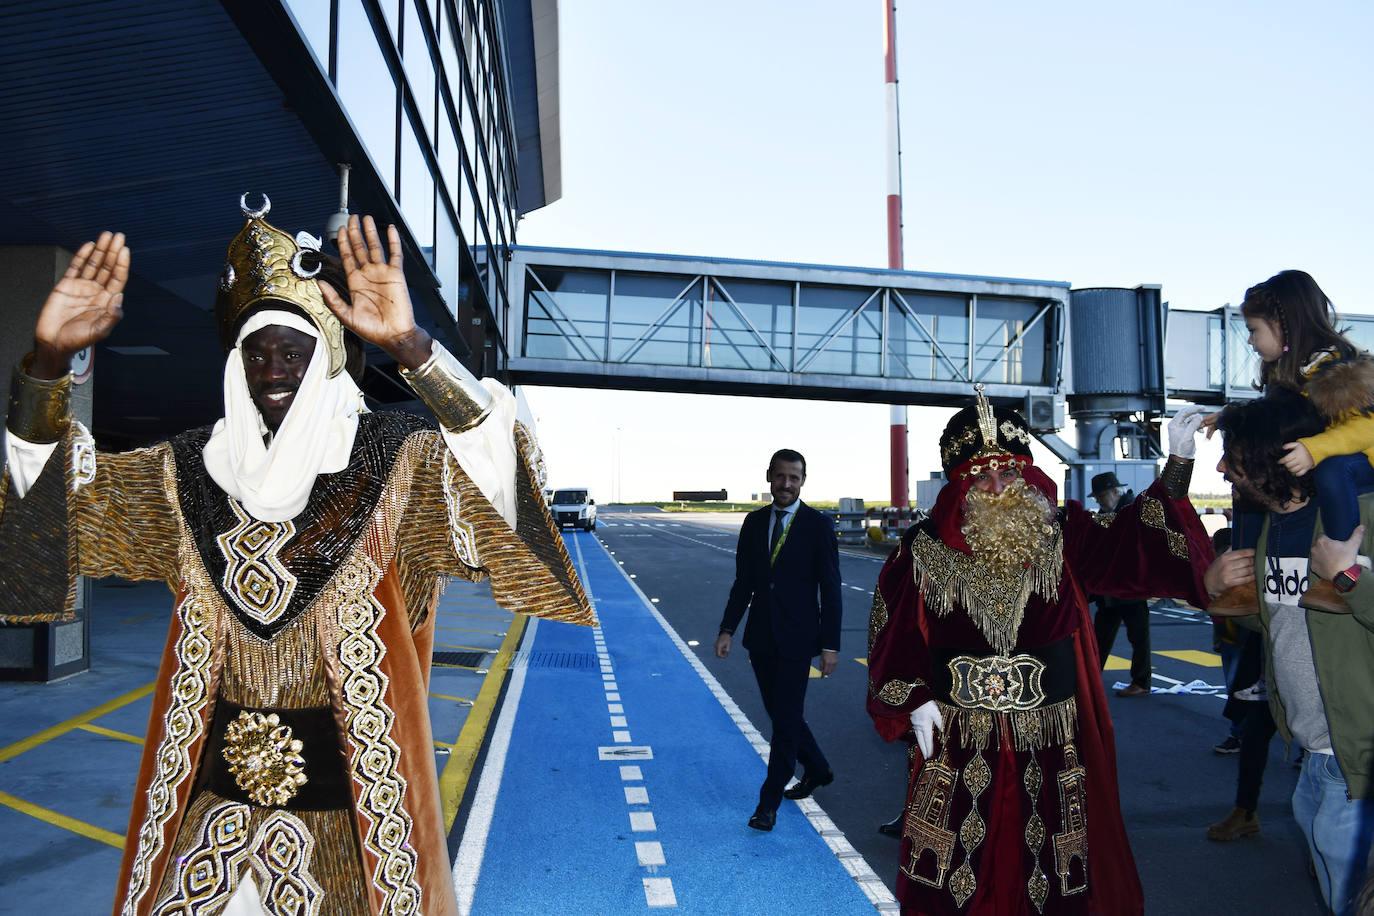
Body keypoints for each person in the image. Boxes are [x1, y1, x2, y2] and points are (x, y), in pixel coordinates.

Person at [0, 199, 595, 915]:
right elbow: (48, 532)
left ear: (328, 359)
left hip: (361, 834)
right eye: (255, 350)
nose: (271, 367)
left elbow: (505, 501)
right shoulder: (186, 471)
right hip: (204, 819)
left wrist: (414, 350)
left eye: (293, 348)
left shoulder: (399, 465)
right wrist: (48, 366)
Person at [866, 388, 1215, 915]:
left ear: (1026, 473)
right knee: (954, 872)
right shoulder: (921, 547)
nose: (997, 487)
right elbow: (891, 630)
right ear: (959, 484)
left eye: (1008, 472)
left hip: (1051, 735)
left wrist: (1178, 466)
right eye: (980, 476)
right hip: (959, 734)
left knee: (1050, 871)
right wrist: (911, 698)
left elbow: (1132, 543)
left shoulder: (1065, 530)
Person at [1208, 389, 1374, 915]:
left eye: (1233, 456)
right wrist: (1216, 591)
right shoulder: (1274, 530)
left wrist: (1348, 575)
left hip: (1358, 765)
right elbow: (1281, 622)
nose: (1222, 468)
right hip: (1311, 760)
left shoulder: (1358, 519)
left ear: (1268, 458)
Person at [1209, 269, 1374, 615]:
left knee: (1331, 470)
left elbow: (1366, 429)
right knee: (1248, 486)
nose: (1250, 341)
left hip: (1360, 462)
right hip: (1331, 459)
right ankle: (1246, 580)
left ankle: (1340, 565)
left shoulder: (1334, 369)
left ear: (1284, 325)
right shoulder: (1290, 369)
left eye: (1254, 331)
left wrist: (1316, 449)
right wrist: (1228, 417)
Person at [714, 448, 841, 831]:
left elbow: (830, 589)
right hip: (761, 638)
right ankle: (817, 768)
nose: (787, 484)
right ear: (769, 476)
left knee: (784, 723)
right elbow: (744, 583)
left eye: (794, 478)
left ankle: (768, 803)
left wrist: (830, 645)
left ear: (803, 481)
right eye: (781, 476)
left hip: (799, 640)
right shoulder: (753, 523)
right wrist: (728, 629)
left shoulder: (818, 525)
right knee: (782, 714)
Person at [1087, 471, 1153, 697]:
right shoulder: (1113, 512)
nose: (1097, 500)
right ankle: (1092, 680)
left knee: (1136, 637)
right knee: (1101, 639)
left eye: (1100, 496)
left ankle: (1141, 682)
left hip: (1128, 587)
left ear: (1115, 492)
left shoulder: (1131, 512)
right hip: (1113, 590)